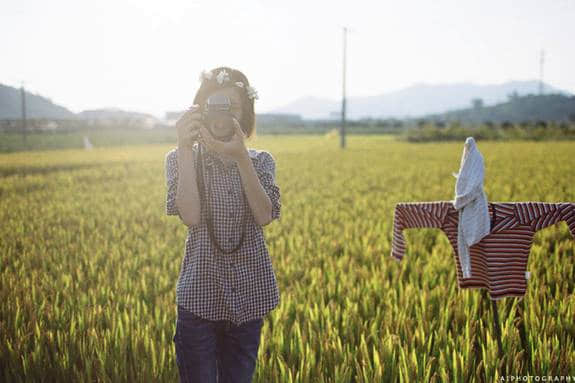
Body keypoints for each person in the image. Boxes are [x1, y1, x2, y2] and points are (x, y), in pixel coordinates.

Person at [164, 66, 282, 383]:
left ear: (245, 116)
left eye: (233, 107)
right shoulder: (179, 158)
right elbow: (190, 216)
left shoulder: (261, 161)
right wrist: (186, 147)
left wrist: (241, 158)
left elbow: (265, 215)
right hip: (199, 303)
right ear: (199, 111)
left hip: (249, 301)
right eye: (215, 106)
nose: (222, 115)